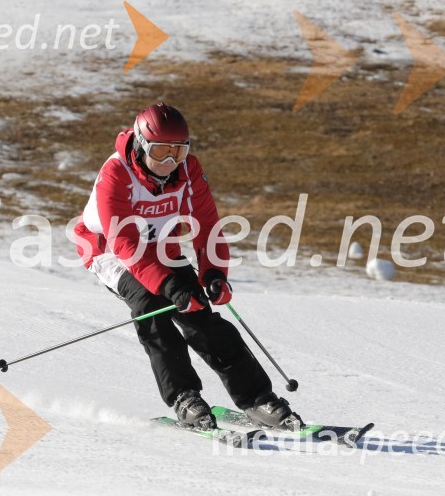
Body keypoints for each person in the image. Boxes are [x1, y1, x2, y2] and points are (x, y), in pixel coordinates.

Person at [73, 102, 303, 431]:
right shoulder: (116, 173)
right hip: (109, 250)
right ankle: (184, 397)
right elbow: (125, 243)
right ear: (140, 145)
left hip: (160, 246)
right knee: (151, 306)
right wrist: (169, 286)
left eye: (178, 152)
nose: (169, 162)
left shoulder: (188, 171)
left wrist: (213, 273)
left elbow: (207, 225)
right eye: (160, 152)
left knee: (200, 314)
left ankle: (256, 398)